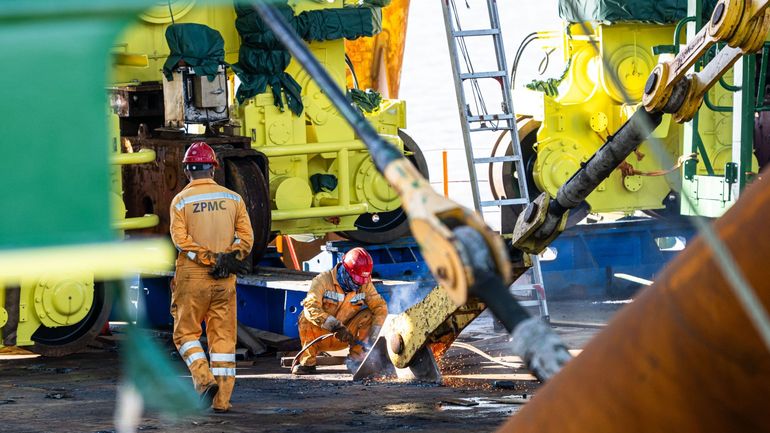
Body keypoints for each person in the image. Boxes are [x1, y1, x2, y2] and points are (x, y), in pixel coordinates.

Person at [169, 141, 253, 413]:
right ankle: (223, 401)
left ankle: (204, 381)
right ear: (213, 169)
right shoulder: (234, 199)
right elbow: (246, 239)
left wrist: (209, 259)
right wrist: (228, 259)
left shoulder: (181, 201)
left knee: (185, 335)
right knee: (223, 343)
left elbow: (181, 240)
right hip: (224, 279)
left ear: (187, 171)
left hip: (193, 278)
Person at [292, 247, 388, 375]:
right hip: (321, 336)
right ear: (345, 270)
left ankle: (356, 360)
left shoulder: (364, 284)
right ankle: (307, 363)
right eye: (355, 281)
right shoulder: (322, 281)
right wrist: (335, 327)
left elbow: (380, 308)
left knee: (369, 315)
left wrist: (375, 336)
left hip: (347, 336)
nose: (358, 286)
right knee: (305, 317)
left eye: (360, 282)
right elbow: (311, 307)